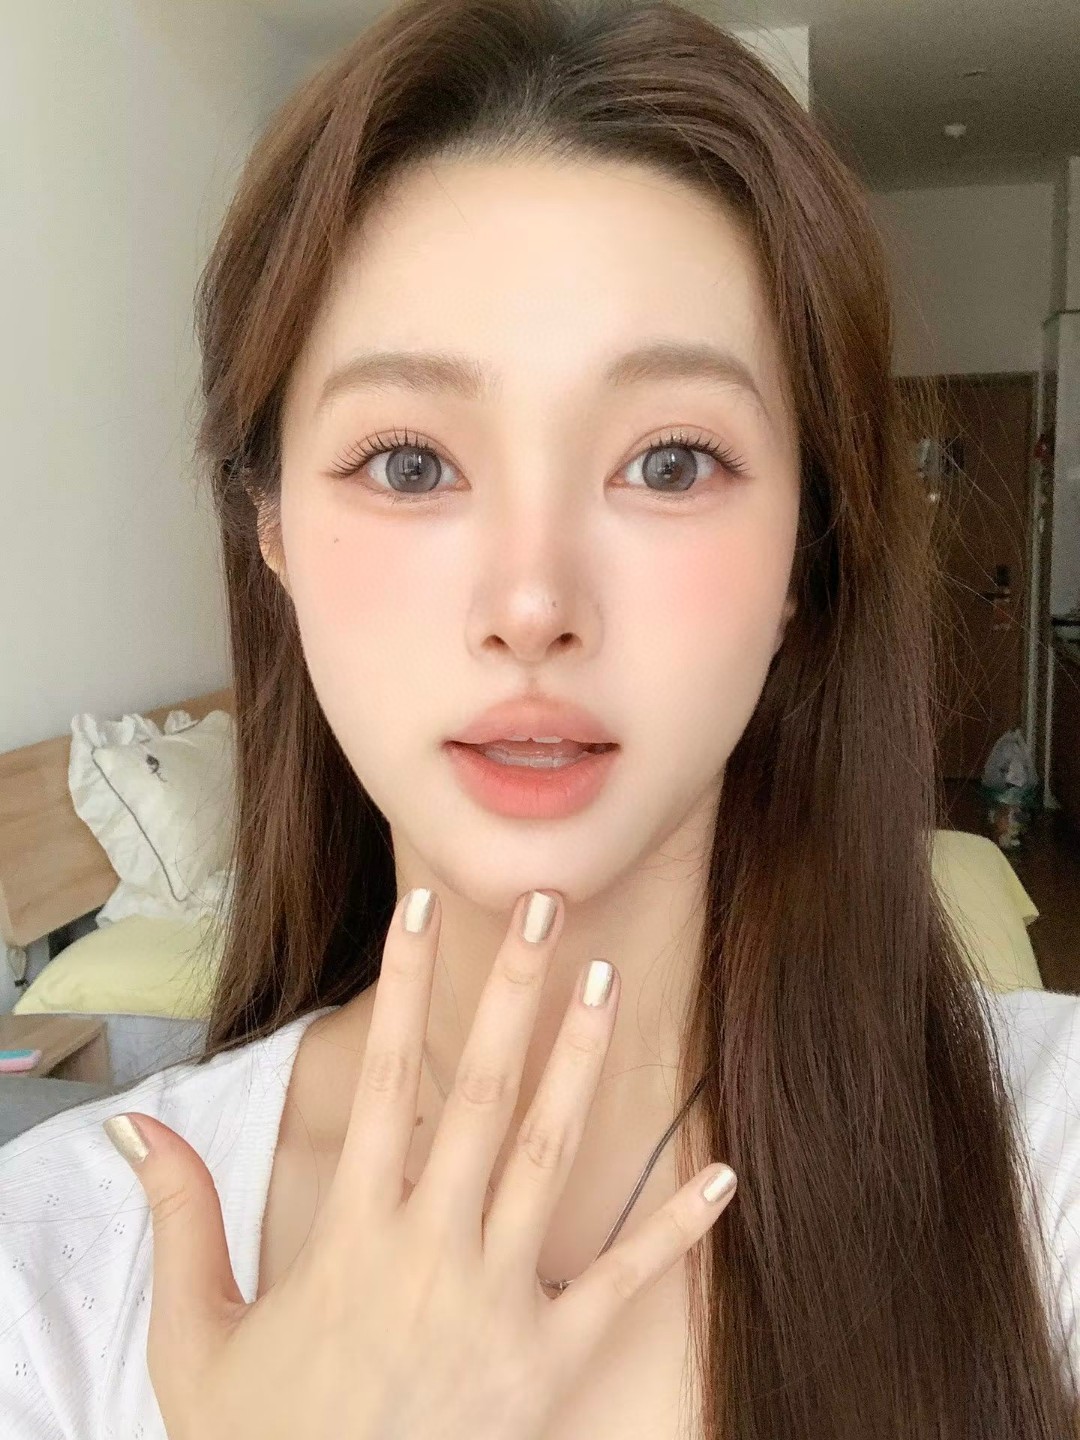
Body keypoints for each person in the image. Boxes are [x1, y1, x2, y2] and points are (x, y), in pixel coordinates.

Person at [2, 0, 1078, 1435]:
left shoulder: (1049, 1159)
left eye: (672, 461)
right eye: (409, 463)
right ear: (271, 532)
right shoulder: (57, 1274)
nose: (531, 603)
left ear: (804, 558)